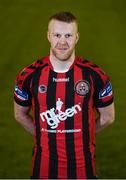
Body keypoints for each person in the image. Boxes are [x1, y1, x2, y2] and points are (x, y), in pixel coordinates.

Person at [13, 11, 115, 179]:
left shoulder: (95, 75)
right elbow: (19, 115)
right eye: (57, 35)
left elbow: (108, 117)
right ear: (48, 36)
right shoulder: (28, 75)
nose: (62, 41)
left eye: (68, 35)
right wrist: (45, 136)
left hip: (83, 169)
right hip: (42, 169)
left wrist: (82, 134)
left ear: (77, 37)